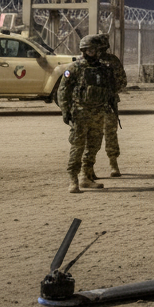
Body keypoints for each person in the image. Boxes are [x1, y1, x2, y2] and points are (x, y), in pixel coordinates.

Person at [57, 35, 118, 193]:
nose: (92, 53)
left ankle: (86, 176)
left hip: (98, 113)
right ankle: (73, 179)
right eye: (89, 50)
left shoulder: (103, 69)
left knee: (94, 146)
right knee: (77, 146)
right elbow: (63, 90)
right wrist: (65, 110)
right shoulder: (74, 68)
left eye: (94, 50)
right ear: (83, 51)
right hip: (80, 113)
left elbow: (111, 89)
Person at [89, 34, 125, 178]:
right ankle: (89, 167)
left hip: (108, 103)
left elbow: (122, 81)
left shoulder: (112, 61)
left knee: (110, 133)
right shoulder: (87, 61)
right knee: (92, 135)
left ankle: (113, 163)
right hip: (92, 104)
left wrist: (110, 91)